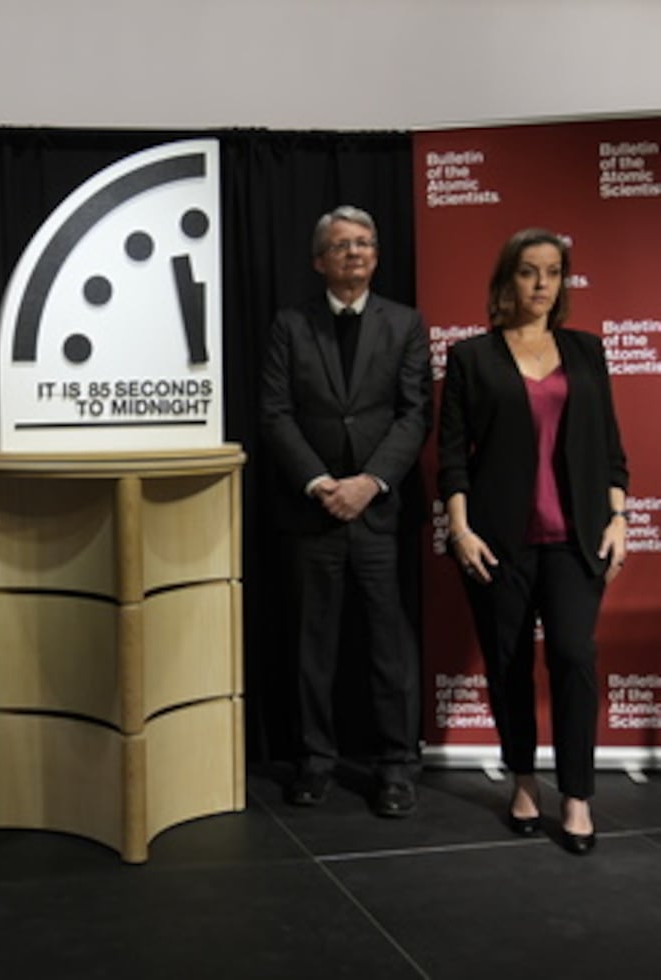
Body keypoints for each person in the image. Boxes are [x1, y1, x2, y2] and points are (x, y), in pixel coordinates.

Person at [438, 228, 628, 855]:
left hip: (576, 541)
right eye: (528, 272)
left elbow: (611, 450)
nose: (542, 284)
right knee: (509, 664)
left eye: (553, 272)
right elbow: (452, 459)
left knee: (573, 656)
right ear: (506, 281)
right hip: (497, 541)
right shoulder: (471, 358)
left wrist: (619, 516)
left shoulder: (587, 352)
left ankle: (576, 795)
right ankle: (524, 780)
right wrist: (460, 530)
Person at [261, 205, 432, 817]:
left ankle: (395, 767)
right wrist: (319, 482)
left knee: (390, 647)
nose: (355, 253)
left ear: (377, 256)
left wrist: (371, 482)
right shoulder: (289, 325)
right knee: (313, 645)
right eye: (341, 245)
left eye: (364, 243)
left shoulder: (406, 324)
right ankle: (315, 762)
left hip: (379, 513)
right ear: (319, 261)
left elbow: (415, 413)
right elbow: (276, 413)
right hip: (312, 512)